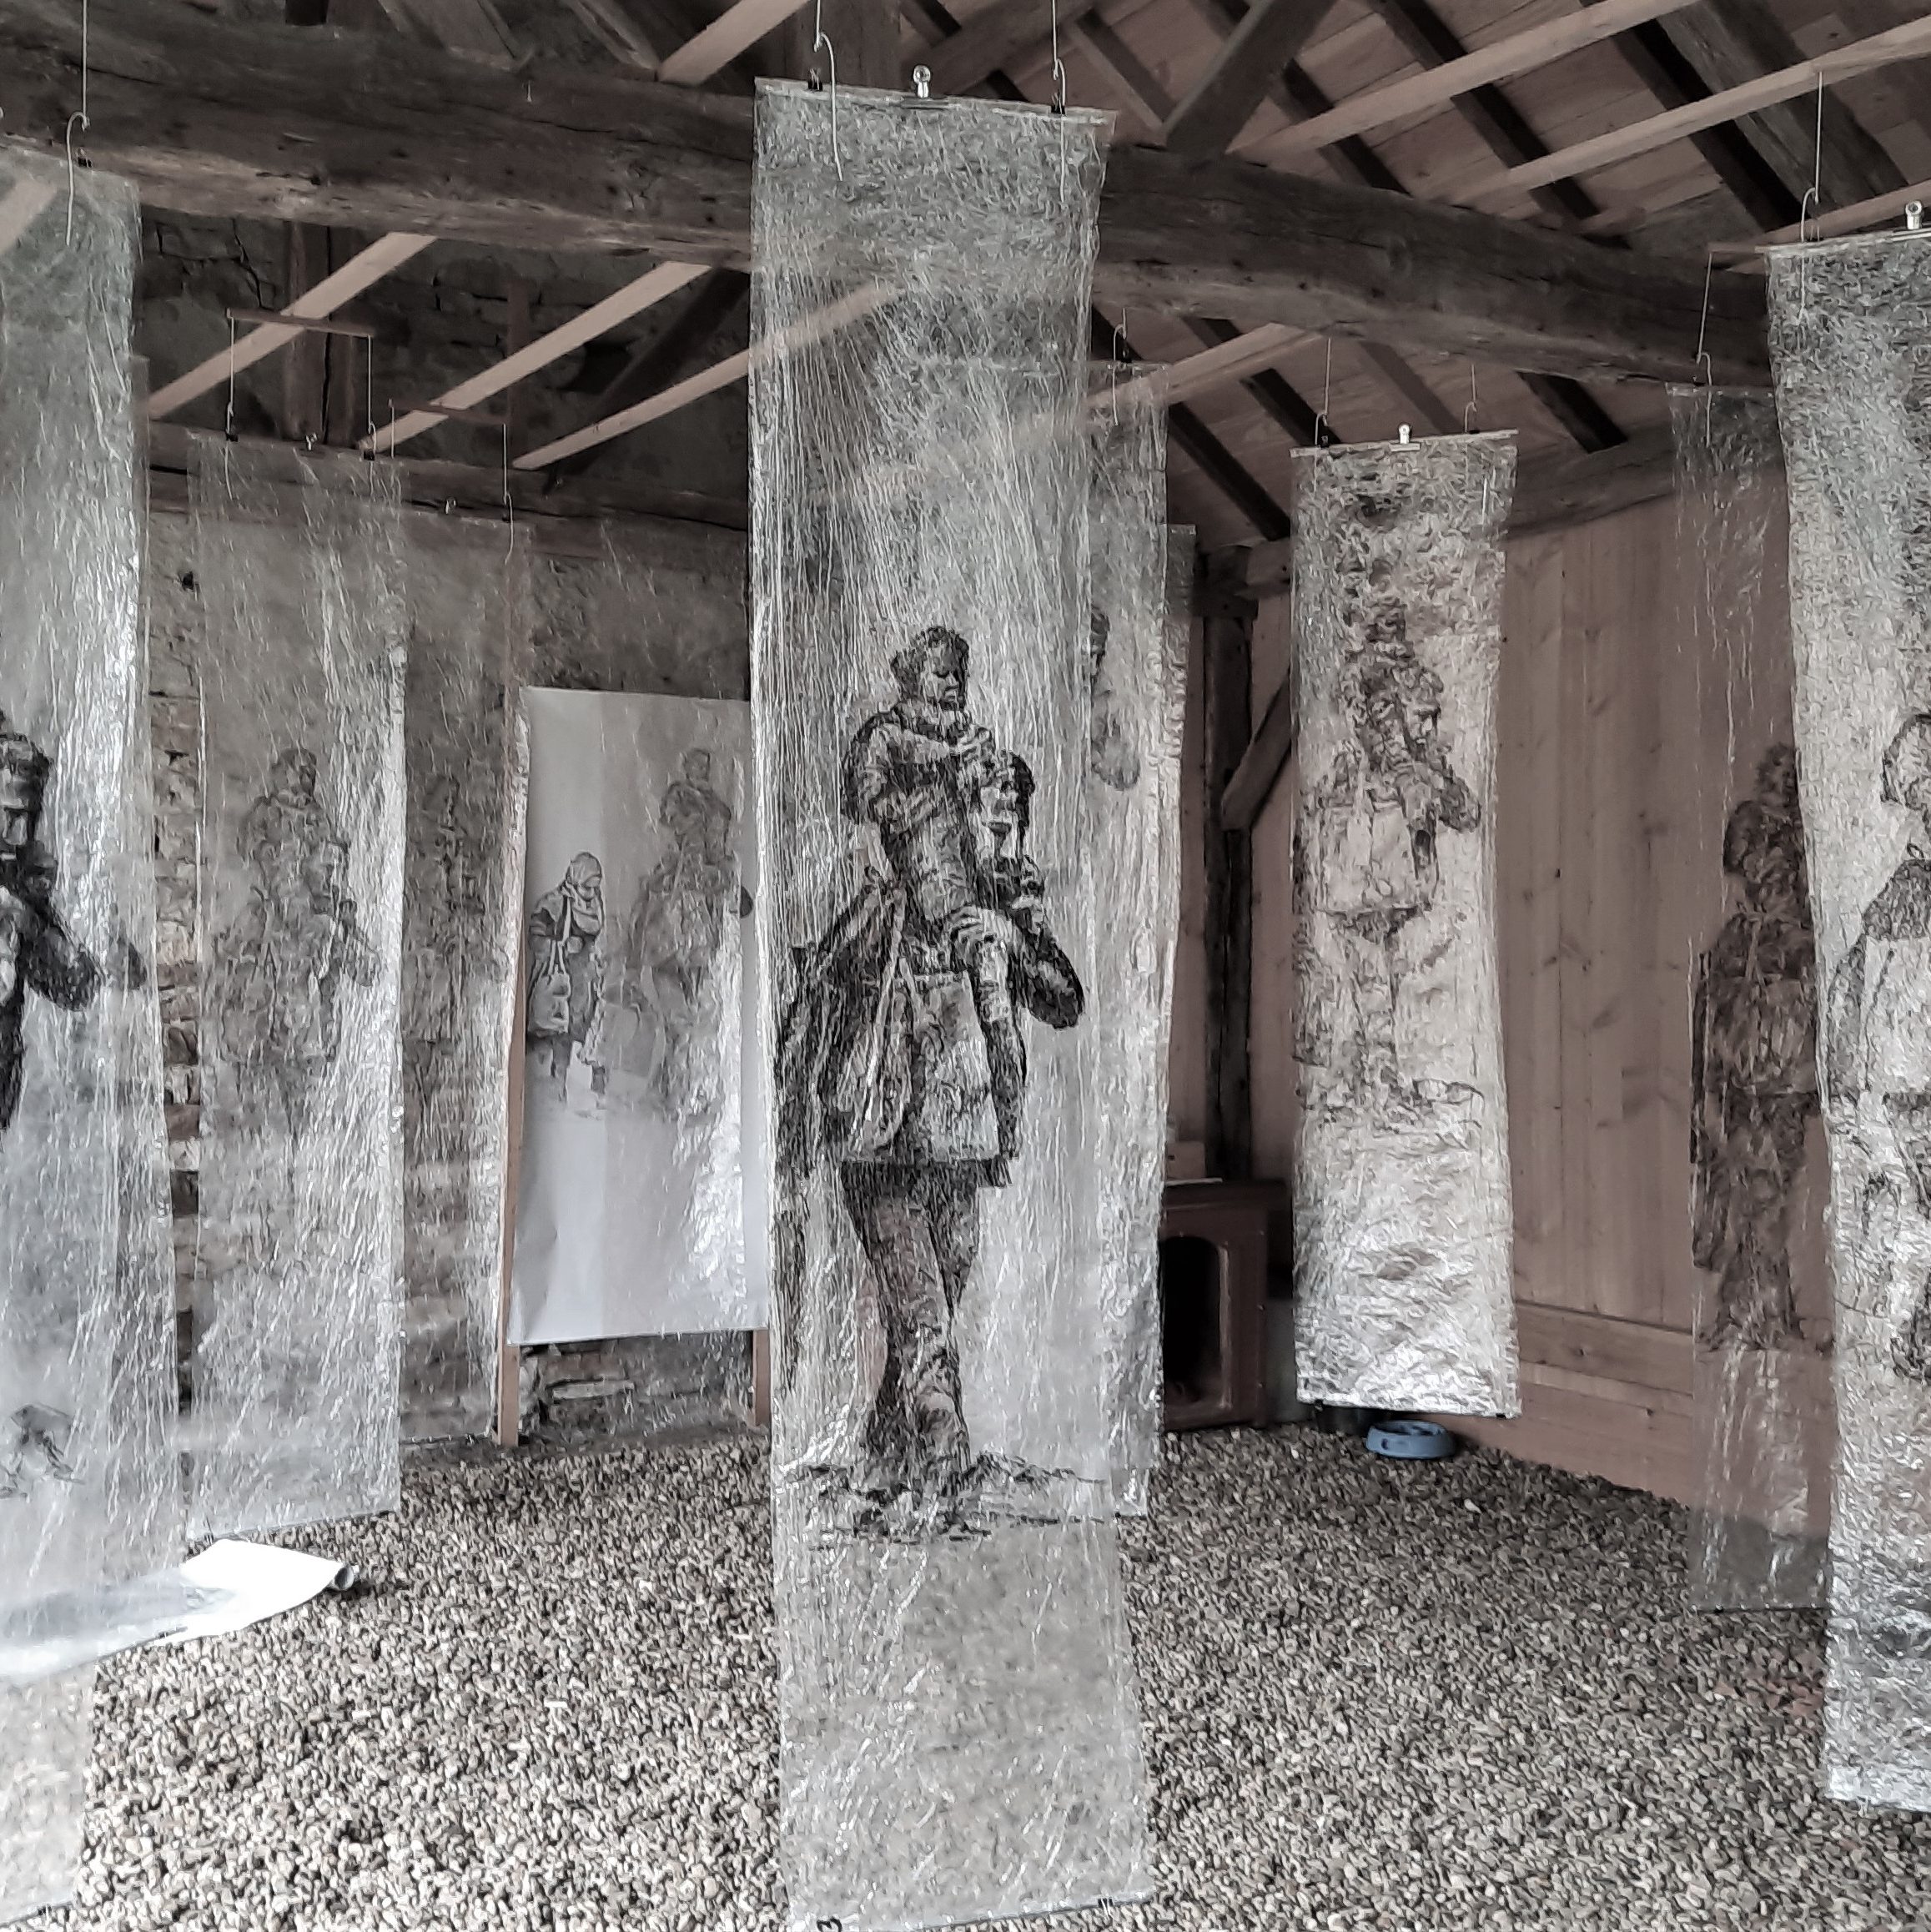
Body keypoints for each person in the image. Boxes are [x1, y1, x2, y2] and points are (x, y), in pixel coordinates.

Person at [775, 630, 1084, 1501]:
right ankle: (945, 1458)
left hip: (960, 1144)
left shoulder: (1000, 911)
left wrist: (1009, 938)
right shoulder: (881, 918)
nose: (999, 835)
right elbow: (813, 1013)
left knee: (934, 1300)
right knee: (922, 1313)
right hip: (880, 1140)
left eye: (1007, 822)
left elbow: (1064, 998)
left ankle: (889, 1454)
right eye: (984, 816)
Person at [1301, 598, 1479, 1114]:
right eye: (1418, 719)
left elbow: (1463, 810)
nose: (1425, 727)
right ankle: (1376, 1076)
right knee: (1373, 973)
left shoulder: (1414, 745)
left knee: (1388, 974)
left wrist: (1427, 776)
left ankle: (1383, 1073)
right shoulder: (1370, 702)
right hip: (1367, 872)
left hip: (1387, 875)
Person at [1691, 744, 1818, 1349]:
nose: (1759, 873)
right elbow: (1713, 1015)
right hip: (1747, 1071)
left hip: (1776, 1075)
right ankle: (1753, 1314)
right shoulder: (1740, 941)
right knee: (1751, 1190)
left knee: (1766, 1192)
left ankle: (1762, 1315)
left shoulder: (1793, 943)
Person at [1827, 713, 1931, 1376]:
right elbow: (1852, 985)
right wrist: (1845, 1078)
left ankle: (1915, 1338)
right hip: (1909, 1082)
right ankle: (1915, 1339)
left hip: (1902, 1081)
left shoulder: (1905, 888)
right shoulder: (1908, 890)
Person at [0, 710, 102, 1132]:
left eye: (25, 818)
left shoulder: (17, 886)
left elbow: (78, 986)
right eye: (8, 816)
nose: (18, 835)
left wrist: (26, 920)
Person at [527, 852, 606, 1103]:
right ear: (575, 880)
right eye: (586, 887)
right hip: (565, 981)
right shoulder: (555, 903)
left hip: (590, 983)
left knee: (597, 1034)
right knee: (563, 1037)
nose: (591, 894)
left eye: (595, 888)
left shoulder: (597, 906)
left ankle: (601, 1096)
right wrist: (561, 946)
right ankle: (558, 1089)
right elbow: (536, 938)